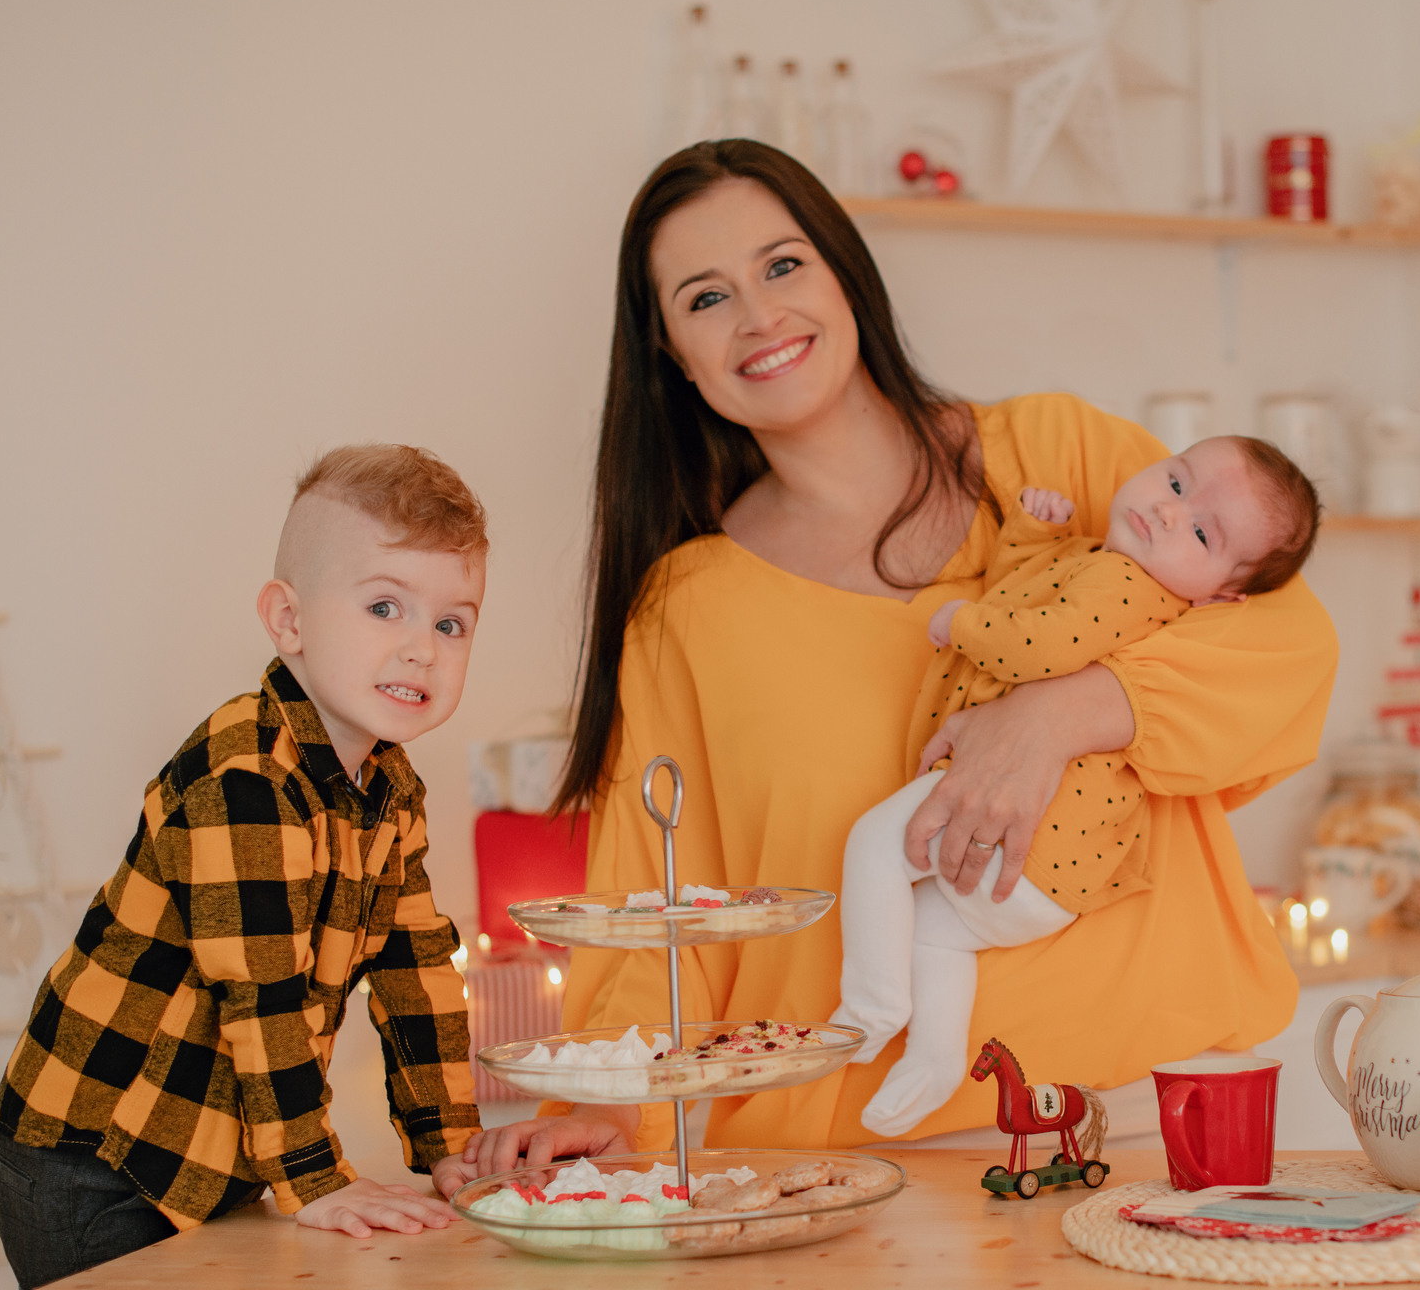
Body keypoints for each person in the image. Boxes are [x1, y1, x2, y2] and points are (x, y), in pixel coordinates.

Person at [535, 139, 1337, 1155]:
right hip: (875, 1160)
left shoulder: (1058, 456)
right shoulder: (686, 609)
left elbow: (1290, 642)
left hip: (1165, 1118)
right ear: (669, 352)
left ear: (844, 272)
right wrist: (608, 1104)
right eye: (704, 298)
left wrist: (1059, 712)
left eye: (783, 266)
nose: (758, 316)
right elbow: (650, 904)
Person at [0, 445, 594, 1290]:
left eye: (453, 621)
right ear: (288, 618)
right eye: (383, 607)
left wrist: (446, 1148)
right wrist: (311, 1178)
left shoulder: (391, 790)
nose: (421, 647)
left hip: (208, 1144)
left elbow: (418, 969)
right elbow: (258, 994)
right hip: (86, 1150)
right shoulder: (241, 777)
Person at [834, 440, 1322, 1134]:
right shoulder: (1099, 561)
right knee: (937, 937)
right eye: (1178, 480)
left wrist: (960, 625)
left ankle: (874, 1005)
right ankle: (936, 1059)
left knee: (876, 845)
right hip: (1048, 877)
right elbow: (1024, 591)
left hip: (1027, 834)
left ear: (1221, 594)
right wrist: (1035, 535)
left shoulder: (1128, 587)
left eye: (1204, 531)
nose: (1167, 509)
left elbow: (1039, 644)